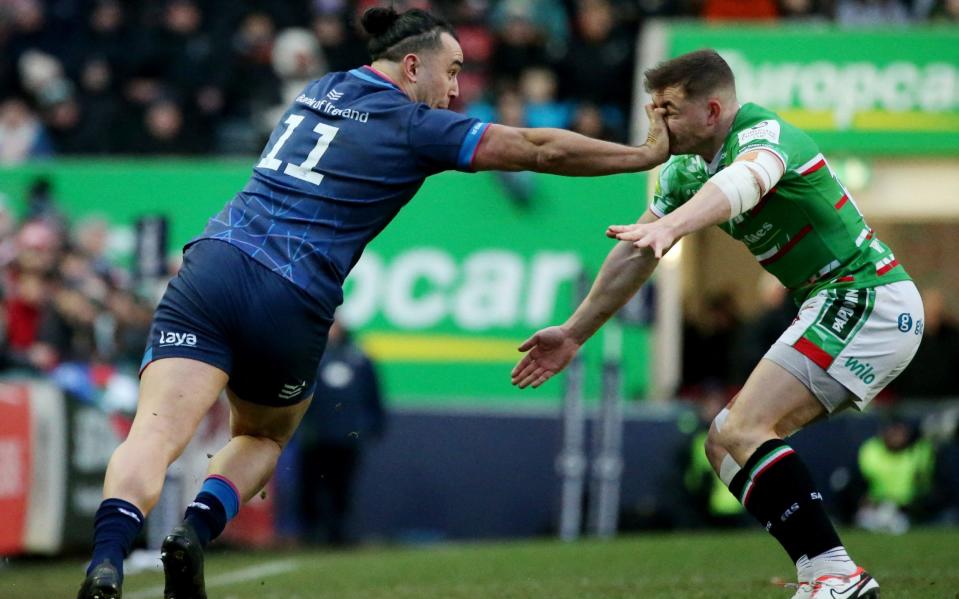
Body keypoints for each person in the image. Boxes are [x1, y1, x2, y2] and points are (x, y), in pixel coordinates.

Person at [76, 7, 670, 599]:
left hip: (213, 263)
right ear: (413, 66)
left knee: (153, 435)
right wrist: (642, 156)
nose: (457, 89)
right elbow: (542, 150)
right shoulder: (415, 125)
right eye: (453, 71)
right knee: (263, 437)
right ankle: (193, 531)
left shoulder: (321, 89)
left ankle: (106, 563)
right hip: (294, 292)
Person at [512, 49, 922, 599]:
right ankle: (821, 575)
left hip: (865, 296)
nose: (657, 124)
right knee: (722, 445)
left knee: (744, 428)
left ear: (711, 110)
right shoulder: (683, 170)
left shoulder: (767, 135)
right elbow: (635, 254)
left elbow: (743, 184)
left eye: (669, 110)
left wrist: (672, 227)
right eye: (652, 109)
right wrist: (575, 331)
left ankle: (837, 573)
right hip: (832, 304)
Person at [297, 318, 385, 546]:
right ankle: (311, 533)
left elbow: (373, 394)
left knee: (342, 487)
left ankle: (339, 532)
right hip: (316, 436)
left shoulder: (360, 358)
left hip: (347, 437)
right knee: (311, 487)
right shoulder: (310, 357)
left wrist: (374, 425)